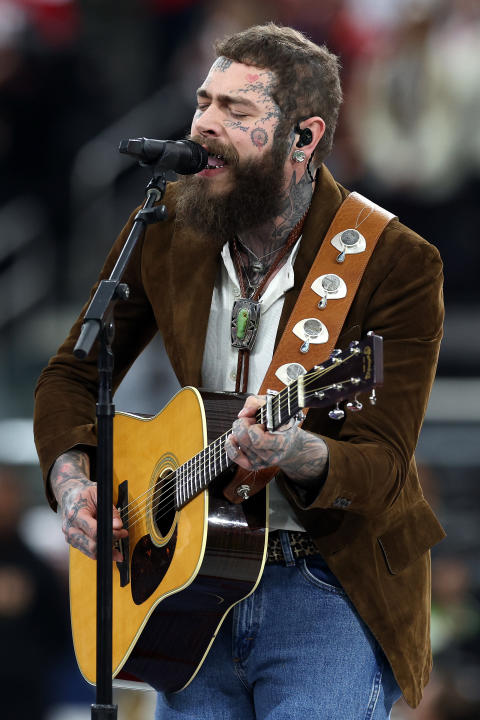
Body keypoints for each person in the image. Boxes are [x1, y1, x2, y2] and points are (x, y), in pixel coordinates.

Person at [34, 23, 446, 720]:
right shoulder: (166, 226)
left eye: (237, 110)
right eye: (203, 102)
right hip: (188, 584)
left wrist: (299, 450)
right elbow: (72, 375)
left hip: (327, 581)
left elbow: (382, 465)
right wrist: (74, 485)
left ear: (304, 139)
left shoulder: (395, 260)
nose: (204, 125)